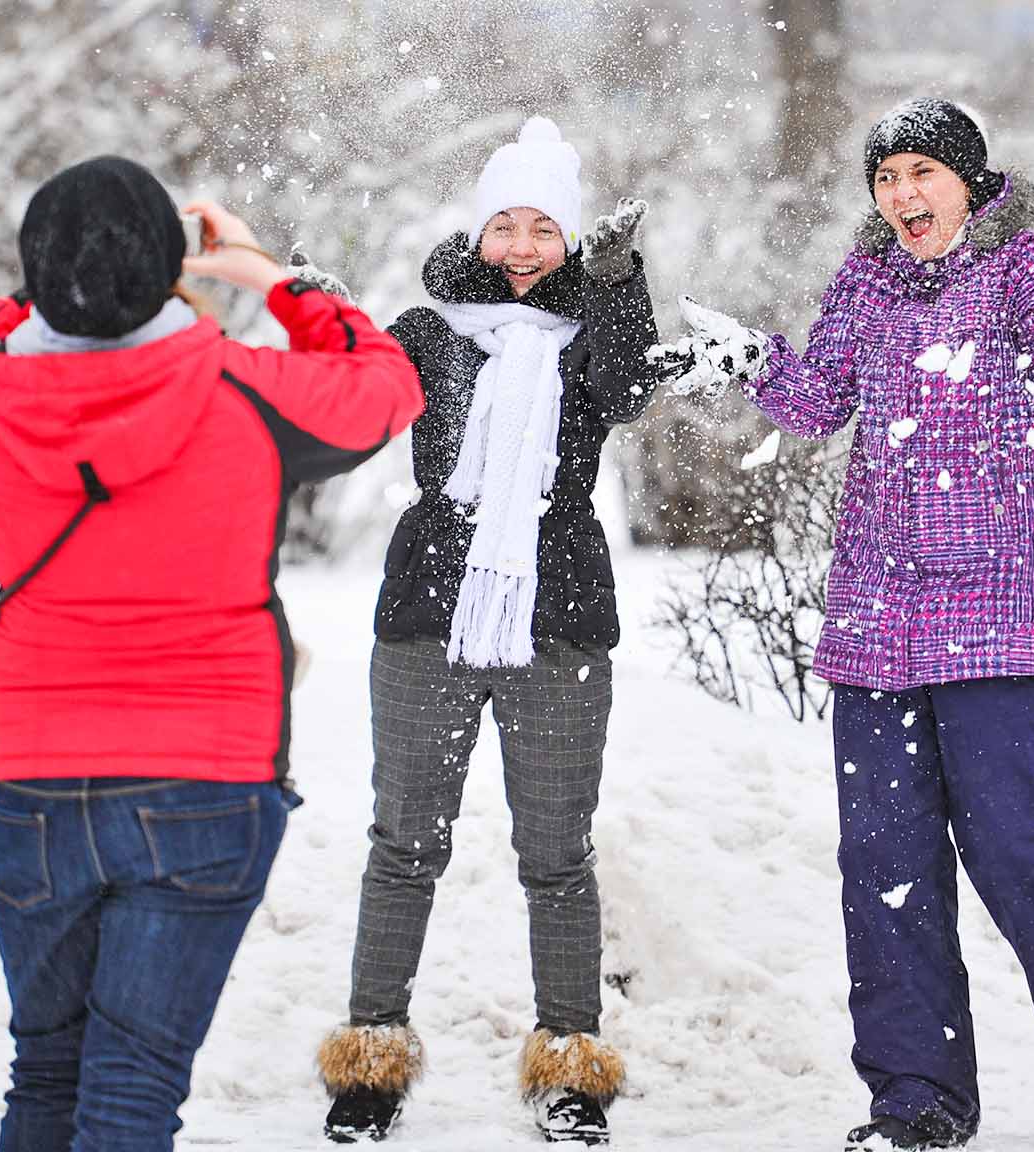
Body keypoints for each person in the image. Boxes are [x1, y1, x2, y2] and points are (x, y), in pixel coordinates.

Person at [652, 99, 1034, 1152]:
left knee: (1018, 853)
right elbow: (819, 402)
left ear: (966, 178)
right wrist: (755, 361)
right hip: (876, 622)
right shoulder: (864, 279)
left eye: (918, 173)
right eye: (884, 179)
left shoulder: (1024, 268)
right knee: (884, 868)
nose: (901, 196)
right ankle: (914, 1101)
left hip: (996, 613)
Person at [0, 154, 423, 1152]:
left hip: (36, 786)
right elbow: (386, 384)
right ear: (168, 270)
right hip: (207, 784)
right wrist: (268, 278)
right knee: (131, 1088)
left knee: (43, 1075)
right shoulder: (247, 392)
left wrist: (37, 291)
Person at [313, 116, 658, 1146]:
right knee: (402, 844)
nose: (517, 246)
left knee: (556, 854)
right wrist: (316, 321)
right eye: (501, 225)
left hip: (558, 623)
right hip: (427, 612)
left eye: (539, 227)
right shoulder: (426, 335)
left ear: (566, 240)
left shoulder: (591, 331)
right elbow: (344, 412)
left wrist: (617, 284)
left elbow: (627, 389)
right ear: (475, 236)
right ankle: (369, 1058)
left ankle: (569, 1065)